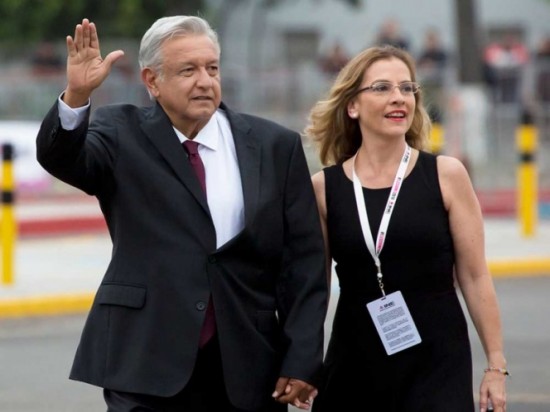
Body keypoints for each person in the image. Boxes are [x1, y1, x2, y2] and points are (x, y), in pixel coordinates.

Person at [36, 16, 327, 412]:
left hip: (247, 366)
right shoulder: (120, 132)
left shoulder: (275, 146)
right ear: (152, 81)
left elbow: (303, 264)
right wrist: (76, 96)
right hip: (145, 362)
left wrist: (302, 357)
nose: (204, 81)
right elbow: (61, 158)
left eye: (212, 68)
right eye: (188, 70)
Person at [303, 45, 508, 412]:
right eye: (382, 88)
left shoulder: (446, 175)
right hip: (354, 364)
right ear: (352, 106)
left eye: (407, 88)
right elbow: (313, 289)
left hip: (437, 364)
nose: (398, 97)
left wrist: (495, 365)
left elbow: (476, 276)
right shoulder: (323, 188)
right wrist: (301, 363)